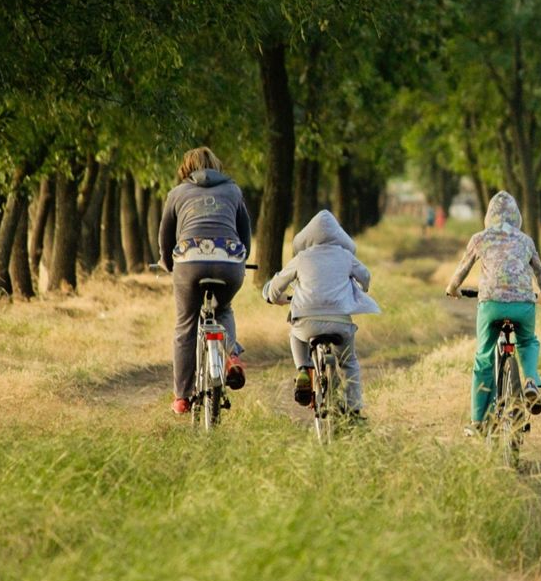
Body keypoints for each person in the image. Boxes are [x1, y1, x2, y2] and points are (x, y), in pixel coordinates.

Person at [445, 191, 541, 430]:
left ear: (488, 216)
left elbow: (461, 271)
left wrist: (453, 289)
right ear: (517, 217)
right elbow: (540, 274)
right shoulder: (526, 240)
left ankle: (478, 421)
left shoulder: (480, 238)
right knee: (528, 342)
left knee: (484, 357)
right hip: (524, 304)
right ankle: (531, 381)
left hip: (491, 305)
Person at [158, 146, 251, 415]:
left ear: (186, 168)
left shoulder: (176, 194)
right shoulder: (233, 190)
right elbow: (245, 233)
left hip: (189, 261)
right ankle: (232, 356)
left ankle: (182, 397)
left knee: (186, 324)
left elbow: (166, 237)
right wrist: (241, 259)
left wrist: (167, 263)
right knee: (223, 309)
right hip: (230, 261)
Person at [262, 210, 380, 417]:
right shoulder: (346, 256)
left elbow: (276, 287)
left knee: (296, 335)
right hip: (339, 321)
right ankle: (354, 407)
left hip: (306, 322)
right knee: (349, 362)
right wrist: (360, 288)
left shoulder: (302, 257)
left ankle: (302, 370)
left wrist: (271, 296)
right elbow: (366, 278)